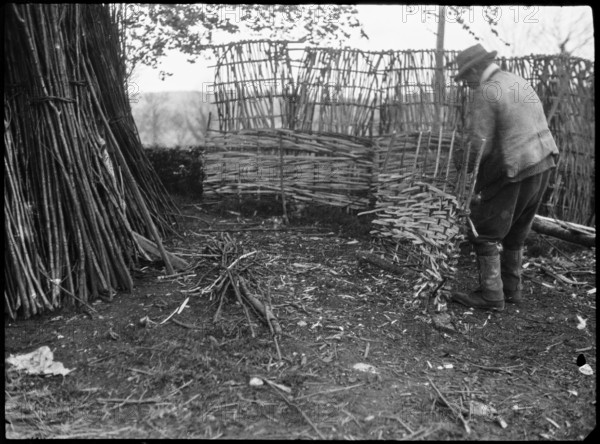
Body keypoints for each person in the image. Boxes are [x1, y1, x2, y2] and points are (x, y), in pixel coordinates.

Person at [451, 44, 560, 311]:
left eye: (467, 77)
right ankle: (512, 290)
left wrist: (462, 163)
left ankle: (491, 295)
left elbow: (480, 143)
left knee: (484, 232)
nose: (467, 84)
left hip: (516, 168)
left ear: (477, 68)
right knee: (516, 232)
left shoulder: (488, 91)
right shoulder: (517, 81)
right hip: (543, 162)